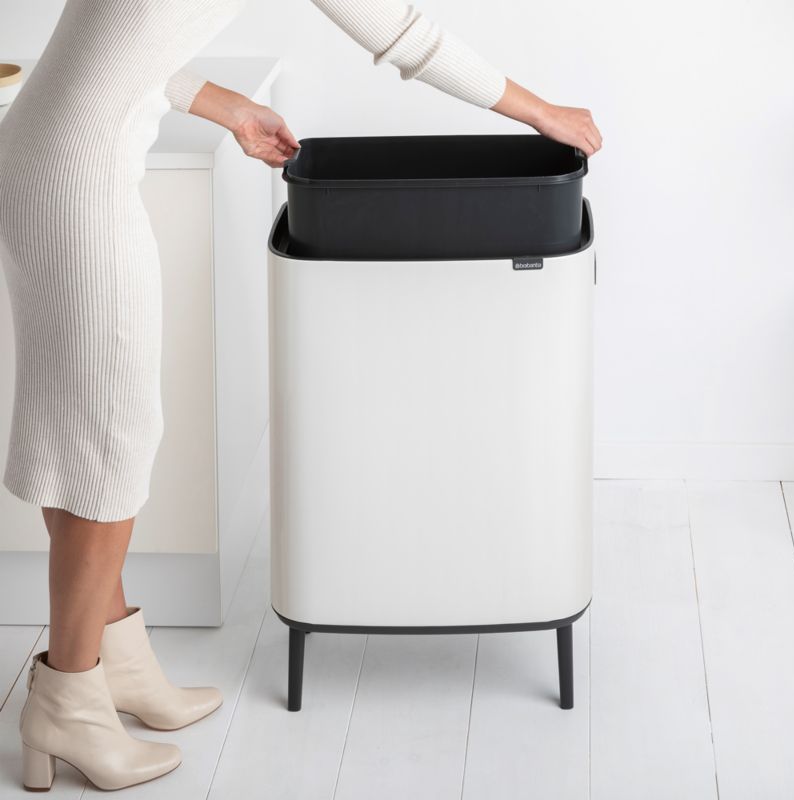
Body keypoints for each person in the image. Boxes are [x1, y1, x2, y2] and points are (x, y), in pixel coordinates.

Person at [0, 0, 602, 792]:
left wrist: (227, 106)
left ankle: (115, 659)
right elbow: (403, 33)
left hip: (44, 154)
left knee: (79, 421)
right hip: (80, 178)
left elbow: (112, 48)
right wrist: (542, 112)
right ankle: (68, 701)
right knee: (108, 438)